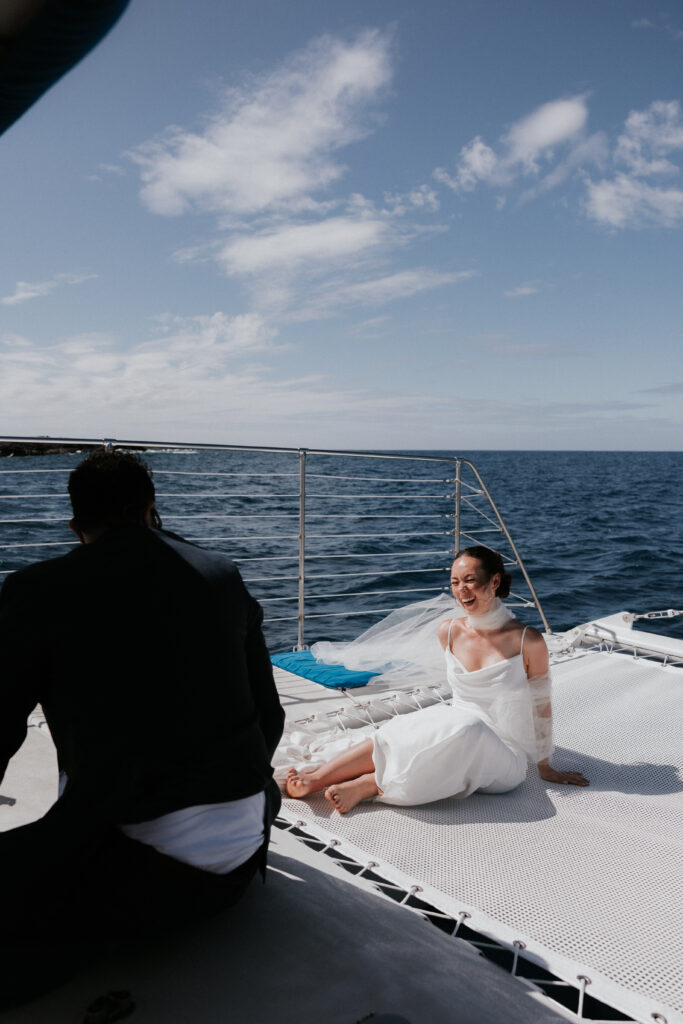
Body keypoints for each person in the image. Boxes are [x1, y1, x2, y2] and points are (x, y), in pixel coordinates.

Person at [0, 449, 284, 1007]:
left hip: (143, 871)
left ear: (75, 525)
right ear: (151, 509)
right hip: (246, 849)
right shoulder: (222, 574)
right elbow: (269, 717)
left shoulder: (38, 589)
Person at [286, 546, 588, 813]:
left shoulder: (528, 641)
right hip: (454, 724)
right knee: (425, 722)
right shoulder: (448, 631)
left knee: (468, 728)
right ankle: (318, 777)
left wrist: (545, 765)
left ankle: (369, 785)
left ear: (494, 581)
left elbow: (541, 706)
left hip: (505, 754)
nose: (461, 590)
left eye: (470, 580)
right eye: (455, 582)